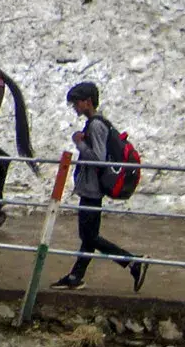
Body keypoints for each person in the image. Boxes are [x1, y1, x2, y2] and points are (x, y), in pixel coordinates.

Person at [53, 81, 147, 292]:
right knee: (89, 237)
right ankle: (76, 276)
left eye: (76, 102)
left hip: (92, 190)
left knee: (89, 237)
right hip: (93, 188)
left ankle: (132, 261)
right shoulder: (97, 123)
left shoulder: (95, 126)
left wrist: (79, 143)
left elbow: (98, 159)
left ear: (88, 102)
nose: (74, 107)